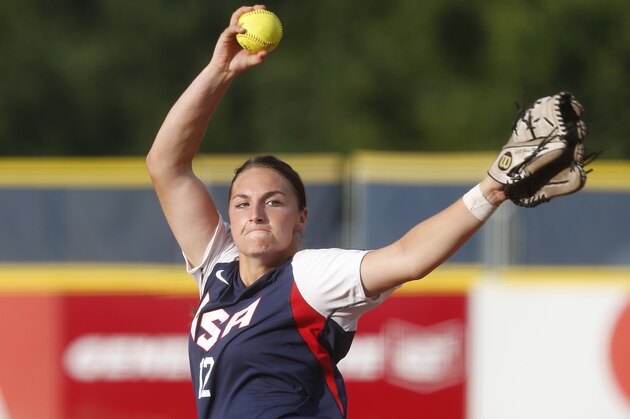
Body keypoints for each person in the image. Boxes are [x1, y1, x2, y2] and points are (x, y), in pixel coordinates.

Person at [147, 5, 506, 418]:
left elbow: (410, 257)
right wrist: (219, 71)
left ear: (301, 218)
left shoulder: (311, 278)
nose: (256, 213)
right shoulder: (217, 271)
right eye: (242, 203)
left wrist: (491, 191)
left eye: (274, 201)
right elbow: (166, 165)